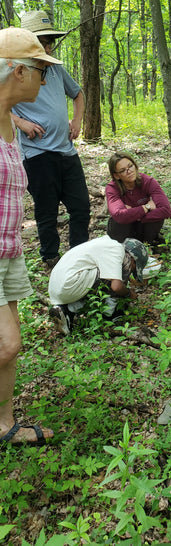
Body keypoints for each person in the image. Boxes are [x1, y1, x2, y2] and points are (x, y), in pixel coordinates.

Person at [0, 26, 62, 446]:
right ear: (18, 71)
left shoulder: (9, 122)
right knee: (6, 343)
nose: (46, 77)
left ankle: (4, 426)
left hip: (9, 252)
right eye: (41, 69)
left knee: (9, 347)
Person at [11, 10, 90, 271]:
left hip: (66, 151)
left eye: (50, 40)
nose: (47, 45)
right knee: (47, 211)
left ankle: (79, 253)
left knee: (80, 206)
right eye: (42, 40)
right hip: (37, 154)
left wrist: (77, 121)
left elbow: (77, 94)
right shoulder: (15, 70)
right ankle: (51, 257)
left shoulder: (55, 68)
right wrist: (20, 122)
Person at [48, 236, 148, 335]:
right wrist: (128, 293)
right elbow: (116, 287)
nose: (131, 271)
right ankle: (109, 313)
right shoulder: (124, 256)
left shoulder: (107, 244)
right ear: (133, 259)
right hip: (70, 284)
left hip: (56, 285)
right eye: (134, 269)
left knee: (110, 274)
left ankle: (67, 310)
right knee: (116, 276)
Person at [106, 151, 171, 244]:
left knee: (157, 218)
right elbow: (119, 215)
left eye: (130, 166)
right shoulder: (112, 188)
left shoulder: (148, 182)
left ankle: (147, 246)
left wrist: (133, 214)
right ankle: (121, 249)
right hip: (123, 232)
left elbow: (166, 210)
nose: (129, 171)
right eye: (123, 170)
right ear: (116, 175)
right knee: (116, 221)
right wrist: (146, 207)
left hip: (143, 228)